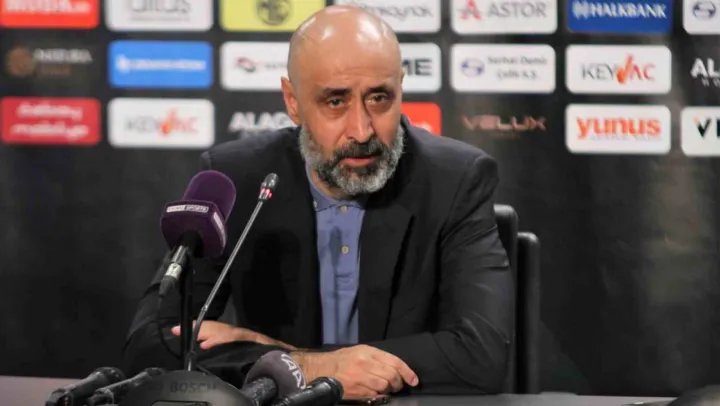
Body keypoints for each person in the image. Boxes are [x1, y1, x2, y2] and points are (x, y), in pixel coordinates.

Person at [123, 5, 513, 400]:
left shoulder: (455, 181)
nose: (361, 130)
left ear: (401, 88)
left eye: (379, 98)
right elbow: (151, 343)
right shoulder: (239, 180)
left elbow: (481, 356)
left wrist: (288, 359)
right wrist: (312, 366)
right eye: (335, 102)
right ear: (293, 101)